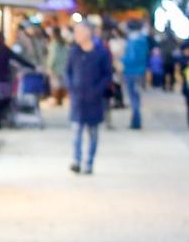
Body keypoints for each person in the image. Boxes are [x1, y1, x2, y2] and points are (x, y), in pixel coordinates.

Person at [65, 19, 114, 174]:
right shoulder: (74, 52)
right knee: (76, 131)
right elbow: (67, 72)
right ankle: (76, 160)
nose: (76, 35)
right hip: (78, 98)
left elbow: (108, 75)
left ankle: (89, 162)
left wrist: (98, 89)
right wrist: (71, 88)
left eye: (79, 31)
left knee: (93, 133)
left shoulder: (101, 53)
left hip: (94, 99)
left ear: (88, 32)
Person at [122, 19, 152, 130]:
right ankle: (136, 120)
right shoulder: (143, 40)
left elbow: (131, 58)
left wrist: (122, 59)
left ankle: (136, 121)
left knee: (133, 97)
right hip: (141, 72)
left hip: (131, 72)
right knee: (137, 97)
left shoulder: (132, 41)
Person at [47, 27, 70, 105]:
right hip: (64, 66)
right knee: (62, 84)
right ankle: (60, 100)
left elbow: (53, 56)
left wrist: (49, 67)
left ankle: (57, 100)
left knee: (55, 85)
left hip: (56, 67)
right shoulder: (64, 42)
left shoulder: (54, 43)